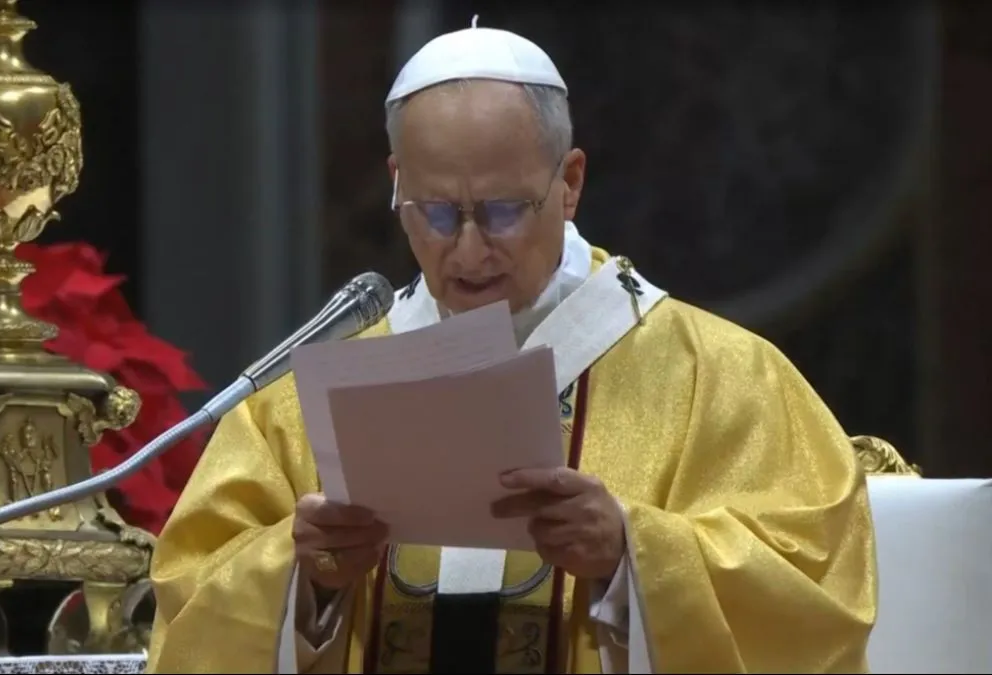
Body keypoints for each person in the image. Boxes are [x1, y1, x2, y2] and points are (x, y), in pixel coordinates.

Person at [146, 20, 877, 675]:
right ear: (396, 183)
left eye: (501, 210)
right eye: (435, 211)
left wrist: (632, 552)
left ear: (570, 184)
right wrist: (303, 577)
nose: (468, 249)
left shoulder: (724, 379)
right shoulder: (296, 409)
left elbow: (816, 598)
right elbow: (189, 609)